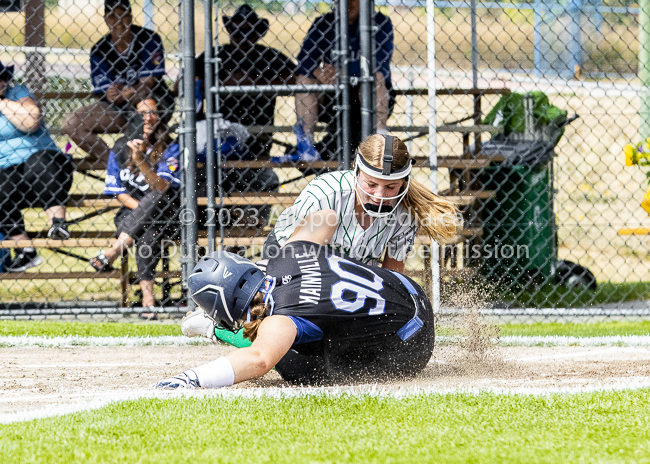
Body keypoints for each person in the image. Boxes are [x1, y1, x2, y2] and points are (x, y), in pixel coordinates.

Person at [155, 209, 435, 389]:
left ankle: (213, 330)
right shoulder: (287, 255)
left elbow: (260, 360)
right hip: (409, 288)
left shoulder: (280, 321)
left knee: (292, 364)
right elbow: (327, 217)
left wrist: (191, 378)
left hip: (413, 346)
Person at [265, 134, 460, 274]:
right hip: (292, 268)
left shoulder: (405, 215)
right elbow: (284, 259)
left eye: (390, 187)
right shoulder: (325, 192)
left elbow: (392, 276)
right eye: (371, 184)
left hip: (352, 283)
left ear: (404, 183)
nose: (379, 196)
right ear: (357, 172)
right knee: (327, 219)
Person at [189, 5, 297, 226]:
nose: (243, 38)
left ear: (258, 34)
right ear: (229, 32)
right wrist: (218, 84)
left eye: (249, 32)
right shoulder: (215, 55)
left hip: (257, 144)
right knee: (206, 183)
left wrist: (256, 82)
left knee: (266, 180)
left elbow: (298, 79)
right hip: (218, 145)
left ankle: (250, 230)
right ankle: (217, 232)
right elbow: (186, 83)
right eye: (238, 32)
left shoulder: (269, 56)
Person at [89, 96, 180, 312]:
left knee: (155, 201)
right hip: (130, 215)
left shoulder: (170, 146)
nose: (148, 118)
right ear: (133, 117)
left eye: (153, 112)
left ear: (160, 117)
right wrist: (142, 212)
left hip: (166, 214)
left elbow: (162, 188)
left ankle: (113, 252)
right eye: (142, 113)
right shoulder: (120, 146)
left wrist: (140, 160)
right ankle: (148, 301)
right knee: (146, 226)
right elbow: (118, 192)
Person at [63, 0, 172, 163]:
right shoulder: (99, 49)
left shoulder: (149, 39)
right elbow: (106, 90)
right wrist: (112, 94)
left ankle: (143, 167)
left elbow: (149, 82)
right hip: (118, 108)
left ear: (131, 17)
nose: (119, 22)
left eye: (124, 16)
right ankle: (116, 166)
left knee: (142, 111)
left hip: (153, 101)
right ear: (106, 19)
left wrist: (134, 91)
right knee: (72, 124)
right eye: (113, 16)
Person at [295, 0, 396, 160]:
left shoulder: (380, 22)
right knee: (304, 80)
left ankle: (380, 143)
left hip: (366, 97)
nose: (348, 3)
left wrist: (344, 72)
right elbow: (303, 59)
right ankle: (306, 146)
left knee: (374, 78)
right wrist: (317, 71)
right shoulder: (324, 22)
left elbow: (378, 62)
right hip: (333, 96)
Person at [0, 61, 73, 272]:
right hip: (9, 179)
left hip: (48, 173)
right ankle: (24, 250)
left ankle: (58, 224)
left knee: (39, 163)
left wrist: (1, 102)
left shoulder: (18, 93)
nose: (2, 82)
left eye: (2, 78)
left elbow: (31, 121)